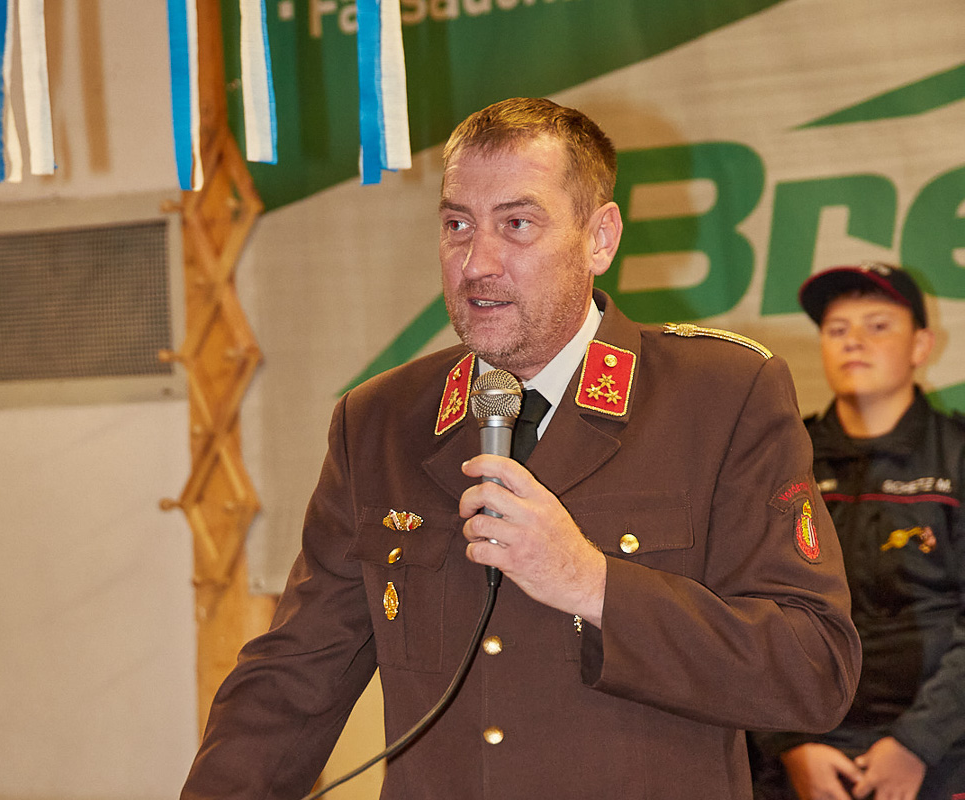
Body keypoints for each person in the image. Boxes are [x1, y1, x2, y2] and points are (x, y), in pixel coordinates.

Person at [180, 97, 861, 799]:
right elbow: (292, 680)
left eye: (518, 224)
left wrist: (593, 583)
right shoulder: (381, 422)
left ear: (600, 239)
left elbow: (813, 671)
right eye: (457, 225)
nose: (477, 263)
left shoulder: (720, 396)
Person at [752, 263, 965, 800]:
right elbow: (742, 609)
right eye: (837, 329)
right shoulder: (780, 458)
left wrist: (916, 746)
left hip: (943, 758)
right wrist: (789, 744)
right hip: (799, 759)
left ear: (922, 345)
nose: (854, 342)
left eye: (878, 326)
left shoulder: (958, 455)